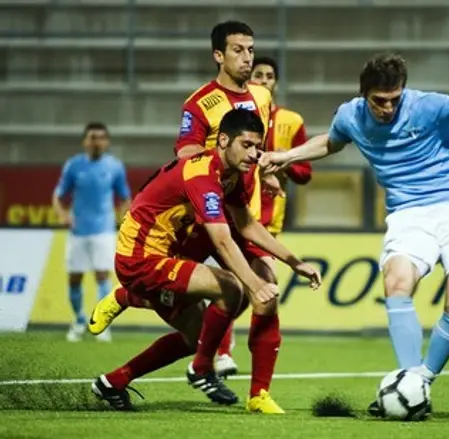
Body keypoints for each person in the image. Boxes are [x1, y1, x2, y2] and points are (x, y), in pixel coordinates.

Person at [259, 53, 449, 416]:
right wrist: (289, 155)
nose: (388, 108)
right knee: (397, 282)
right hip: (408, 213)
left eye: (394, 99)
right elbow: (333, 141)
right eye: (379, 101)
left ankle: (419, 380)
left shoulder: (426, 106)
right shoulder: (351, 115)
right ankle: (410, 378)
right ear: (364, 95)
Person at [89, 21, 291, 414]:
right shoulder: (200, 103)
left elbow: (257, 153)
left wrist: (262, 169)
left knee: (263, 292)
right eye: (238, 50)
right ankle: (192, 356)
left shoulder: (263, 98)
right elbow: (187, 156)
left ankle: (258, 394)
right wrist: (220, 173)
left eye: (251, 50)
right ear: (219, 55)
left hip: (237, 210)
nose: (247, 58)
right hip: (201, 219)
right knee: (237, 289)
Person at [90, 109, 321, 411]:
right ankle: (202, 369)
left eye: (258, 146)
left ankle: (113, 382)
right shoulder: (202, 175)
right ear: (223, 140)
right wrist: (255, 284)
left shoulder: (231, 175)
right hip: (141, 257)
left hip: (167, 255)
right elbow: (222, 241)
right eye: (247, 145)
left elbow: (247, 225)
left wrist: (295, 262)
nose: (254, 154)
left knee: (196, 337)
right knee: (231, 288)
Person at [215, 56, 313, 375]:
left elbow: (305, 172)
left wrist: (281, 164)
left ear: (276, 83)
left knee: (258, 289)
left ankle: (229, 363)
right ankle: (219, 354)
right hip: (228, 213)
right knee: (235, 284)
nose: (264, 80)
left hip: (267, 219)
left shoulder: (291, 121)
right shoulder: (228, 118)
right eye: (258, 75)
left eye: (270, 76)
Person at [52, 122, 131, 343]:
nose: (96, 141)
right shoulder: (74, 166)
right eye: (92, 137)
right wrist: (63, 215)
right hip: (78, 231)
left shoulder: (114, 166)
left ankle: (100, 323)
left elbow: (125, 197)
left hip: (103, 231)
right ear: (85, 141)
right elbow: (58, 195)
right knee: (74, 279)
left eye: (100, 137)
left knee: (102, 276)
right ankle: (78, 320)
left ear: (106, 141)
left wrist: (120, 217)